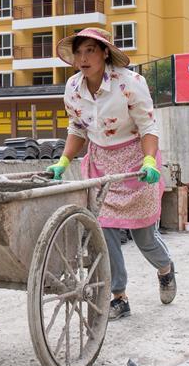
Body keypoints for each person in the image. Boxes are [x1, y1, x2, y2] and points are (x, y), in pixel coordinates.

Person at [46, 27, 176, 320]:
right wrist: (63, 162)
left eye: (90, 50)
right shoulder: (73, 88)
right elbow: (77, 128)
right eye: (79, 52)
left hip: (136, 163)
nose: (83, 58)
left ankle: (165, 268)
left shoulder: (130, 83)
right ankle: (118, 296)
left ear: (105, 53)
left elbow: (147, 126)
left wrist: (149, 161)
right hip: (102, 165)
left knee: (144, 238)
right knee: (104, 233)